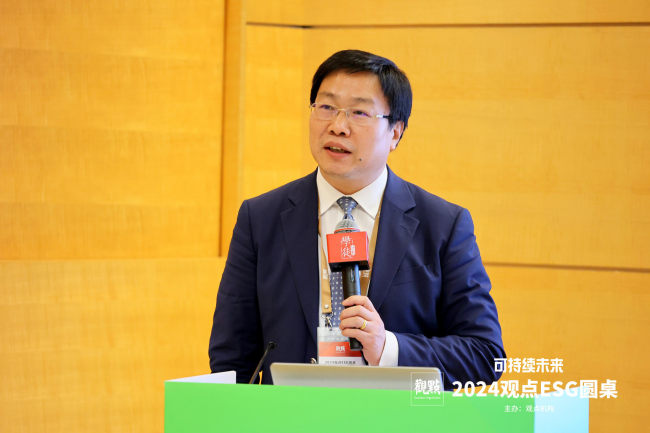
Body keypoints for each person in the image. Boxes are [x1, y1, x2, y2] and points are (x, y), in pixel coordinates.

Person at [209, 49, 505, 387]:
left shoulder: (443, 226)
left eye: (359, 112)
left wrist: (387, 348)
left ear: (396, 132)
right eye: (326, 107)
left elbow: (485, 355)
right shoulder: (261, 218)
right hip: (290, 412)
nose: (337, 126)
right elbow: (232, 358)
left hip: (394, 412)